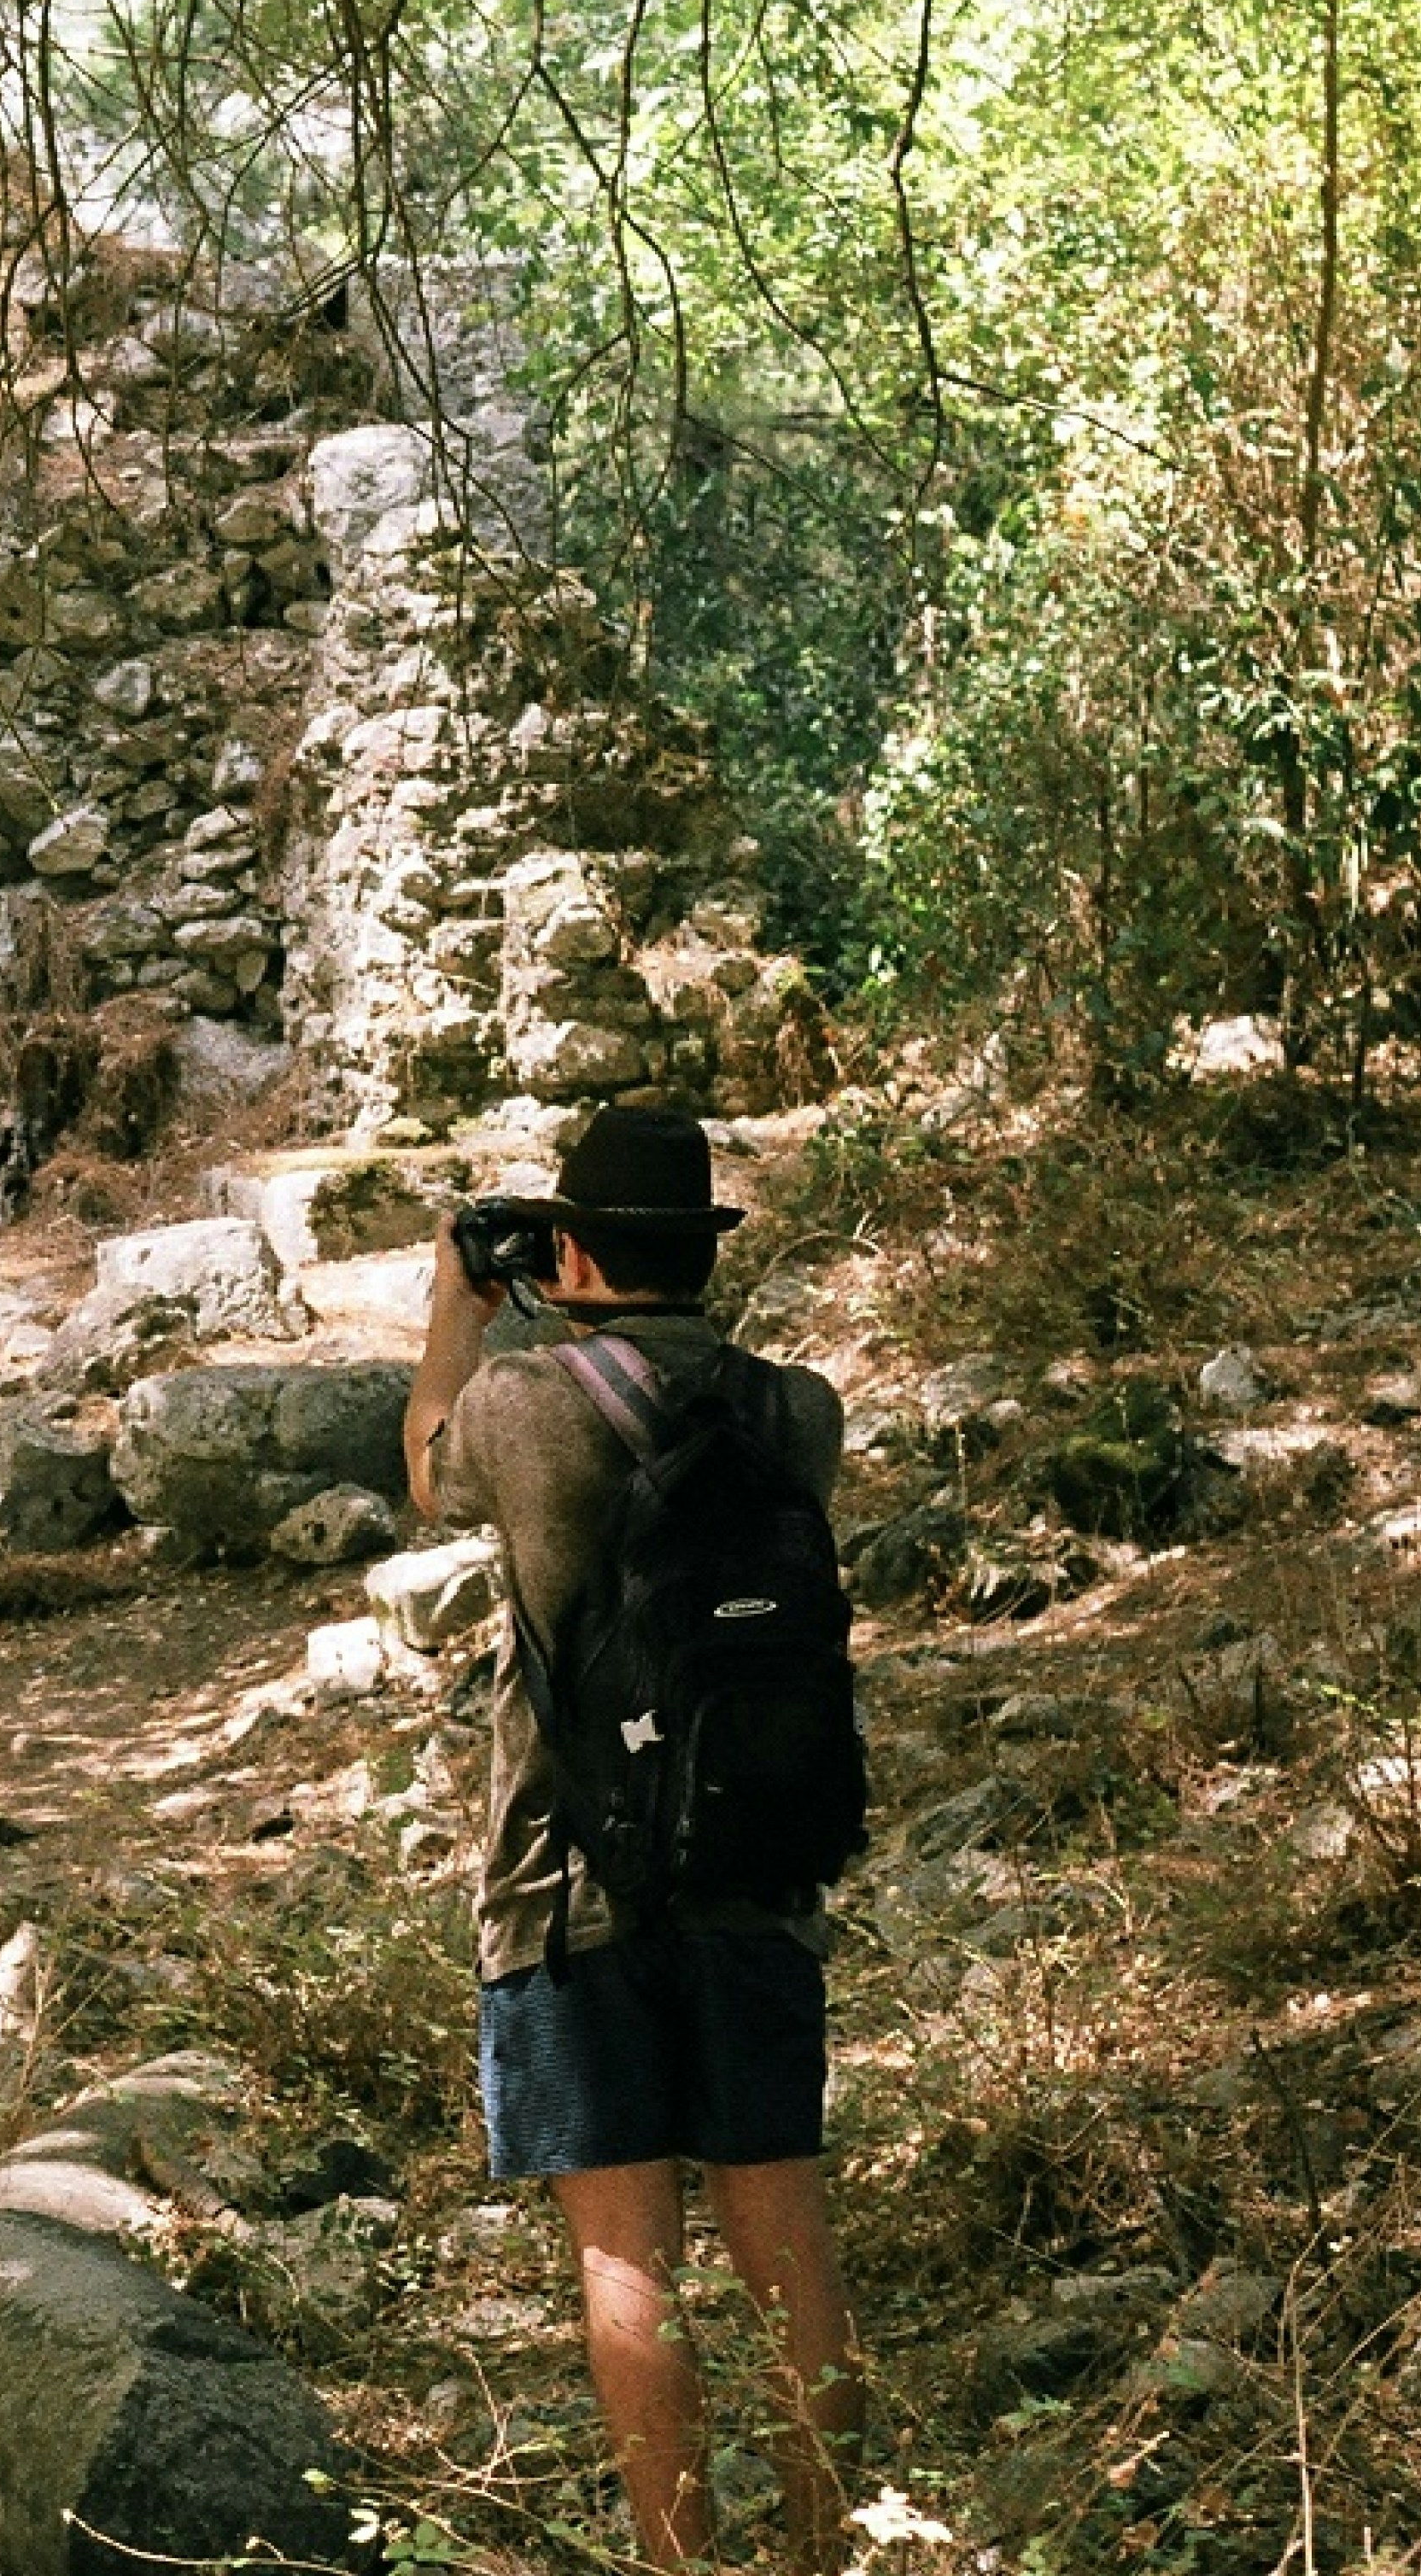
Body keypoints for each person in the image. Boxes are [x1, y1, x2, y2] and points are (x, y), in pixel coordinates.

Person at [406, 1101, 861, 2571]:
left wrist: (454, 1305)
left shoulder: (524, 1406)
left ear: (575, 1252)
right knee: (789, 2245)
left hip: (568, 1891)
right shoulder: (798, 1409)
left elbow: (427, 1466)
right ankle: (826, 2550)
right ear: (698, 1251)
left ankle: (681, 2567)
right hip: (758, 1878)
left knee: (625, 2257)